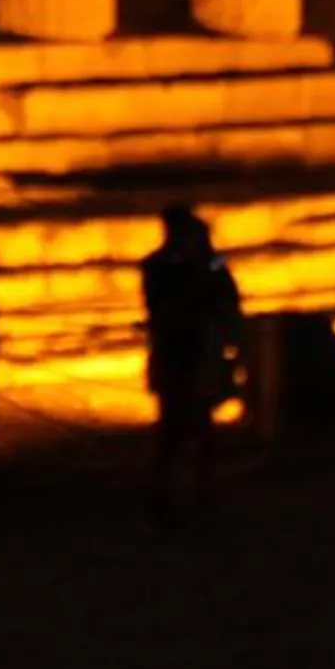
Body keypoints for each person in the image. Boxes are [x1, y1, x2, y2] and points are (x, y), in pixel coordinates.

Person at [142, 204, 243, 523]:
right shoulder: (160, 267)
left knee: (201, 430)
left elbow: (229, 299)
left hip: (203, 352)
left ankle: (201, 493)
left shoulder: (208, 264)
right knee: (173, 430)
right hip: (177, 353)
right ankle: (164, 496)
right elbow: (163, 310)